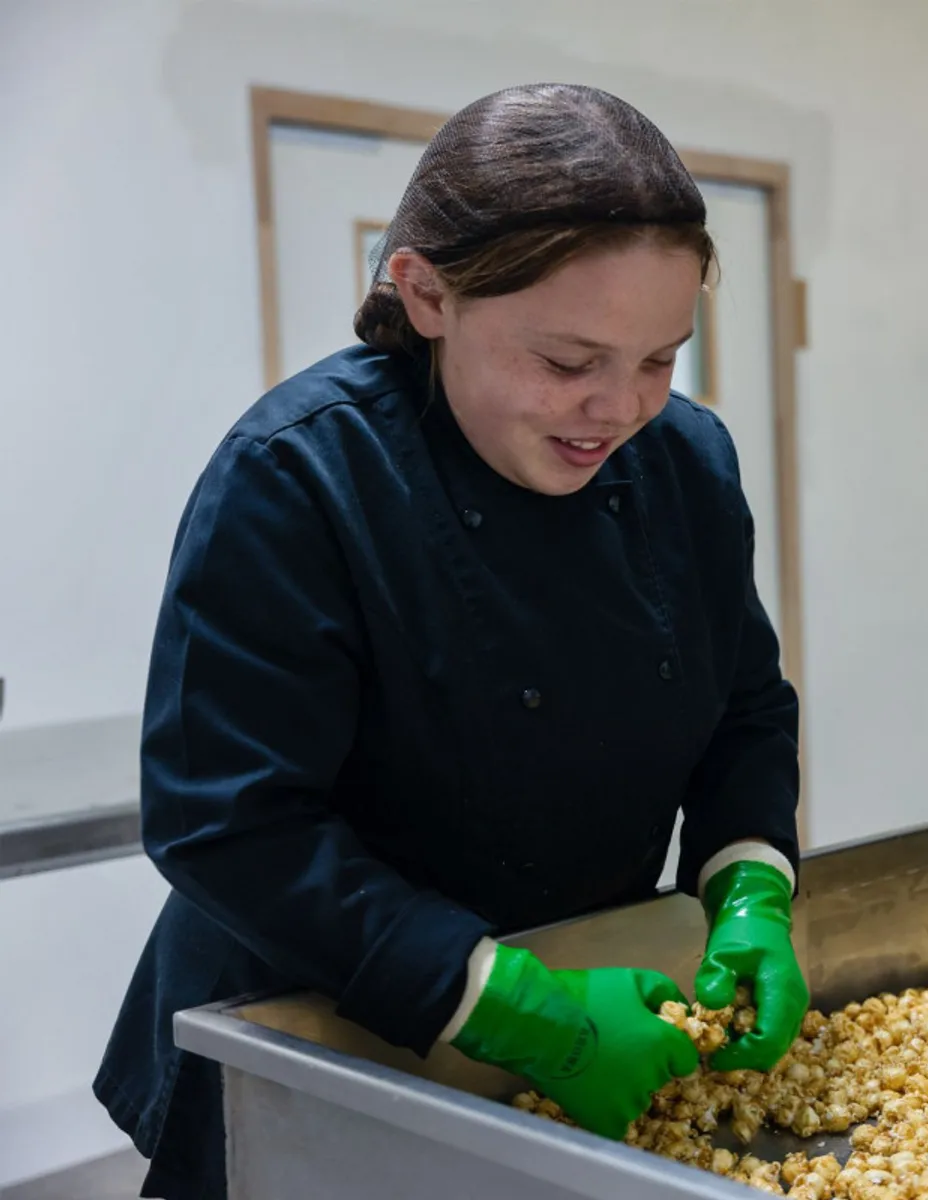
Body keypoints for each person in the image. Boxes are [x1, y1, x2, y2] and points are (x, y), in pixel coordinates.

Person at [93, 83, 808, 1199]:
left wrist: (750, 878)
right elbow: (228, 822)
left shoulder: (688, 466)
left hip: (579, 1006)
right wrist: (509, 1006)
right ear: (425, 294)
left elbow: (744, 710)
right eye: (570, 363)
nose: (618, 410)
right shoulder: (300, 478)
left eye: (661, 359)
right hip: (316, 1030)